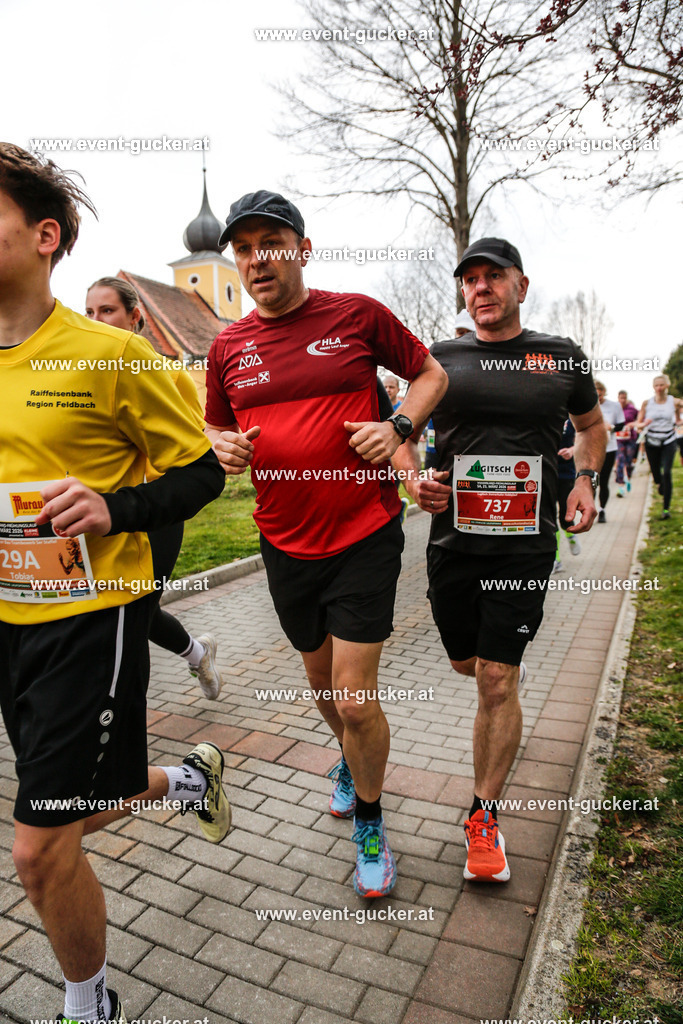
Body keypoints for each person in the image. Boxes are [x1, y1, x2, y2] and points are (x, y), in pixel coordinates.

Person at [0, 143, 232, 1024]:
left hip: (91, 622)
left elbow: (202, 475)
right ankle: (184, 783)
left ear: (44, 236)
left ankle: (88, 1004)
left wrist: (111, 506)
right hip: (5, 621)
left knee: (38, 847)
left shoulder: (112, 355)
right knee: (61, 811)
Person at [205, 190, 447, 897]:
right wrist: (219, 446)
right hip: (282, 543)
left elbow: (429, 373)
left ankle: (369, 822)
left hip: (363, 534)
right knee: (319, 687)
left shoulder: (356, 315)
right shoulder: (227, 346)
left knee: (352, 697)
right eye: (243, 248)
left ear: (302, 249)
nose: (257, 259)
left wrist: (398, 427)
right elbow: (214, 427)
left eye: (270, 243)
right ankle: (348, 758)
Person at [392, 236, 605, 883]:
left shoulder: (560, 358)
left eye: (492, 277)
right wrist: (411, 481)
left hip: (524, 547)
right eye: (470, 279)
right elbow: (401, 431)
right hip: (452, 546)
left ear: (520, 284)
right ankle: (498, 705)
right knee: (466, 663)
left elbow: (592, 428)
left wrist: (585, 480)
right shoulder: (440, 360)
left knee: (495, 678)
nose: (479, 287)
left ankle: (483, 816)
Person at [85, 277, 223, 699]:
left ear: (136, 317)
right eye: (89, 313)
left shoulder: (168, 375)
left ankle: (193, 659)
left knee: (139, 611)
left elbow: (193, 447)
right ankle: (198, 652)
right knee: (112, 611)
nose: (96, 321)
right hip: (104, 512)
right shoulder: (81, 375)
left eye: (107, 311)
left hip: (155, 512)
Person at [424, 309, 476, 471]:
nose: (464, 337)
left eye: (469, 332)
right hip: (435, 448)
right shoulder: (439, 361)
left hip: (471, 452)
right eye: (461, 332)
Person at [635, 373, 681, 520]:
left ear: (667, 386)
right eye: (656, 385)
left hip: (668, 439)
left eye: (662, 385)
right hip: (652, 441)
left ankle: (666, 509)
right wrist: (644, 424)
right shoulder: (647, 403)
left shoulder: (675, 402)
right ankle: (659, 483)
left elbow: (679, 418)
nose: (659, 388)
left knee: (667, 473)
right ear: (653, 387)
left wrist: (679, 421)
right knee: (656, 475)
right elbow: (638, 425)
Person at [553, 418, 582, 572]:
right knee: (548, 518)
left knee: (564, 513)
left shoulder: (572, 420)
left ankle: (570, 534)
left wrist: (572, 450)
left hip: (566, 473)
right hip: (545, 472)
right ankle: (555, 559)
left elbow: (583, 440)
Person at [595, 381, 625, 522]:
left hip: (609, 447)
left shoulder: (614, 406)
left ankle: (602, 510)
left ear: (604, 392)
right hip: (591, 449)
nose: (598, 398)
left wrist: (611, 427)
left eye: (600, 395)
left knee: (604, 481)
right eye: (595, 395)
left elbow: (621, 425)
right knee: (592, 481)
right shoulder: (587, 406)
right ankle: (590, 510)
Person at [615, 389, 639, 497]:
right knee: (620, 461)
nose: (623, 400)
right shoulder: (615, 409)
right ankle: (620, 486)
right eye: (621, 398)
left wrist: (633, 424)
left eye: (624, 398)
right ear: (618, 398)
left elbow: (640, 419)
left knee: (628, 462)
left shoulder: (632, 409)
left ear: (627, 398)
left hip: (630, 439)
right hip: (618, 440)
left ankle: (627, 478)